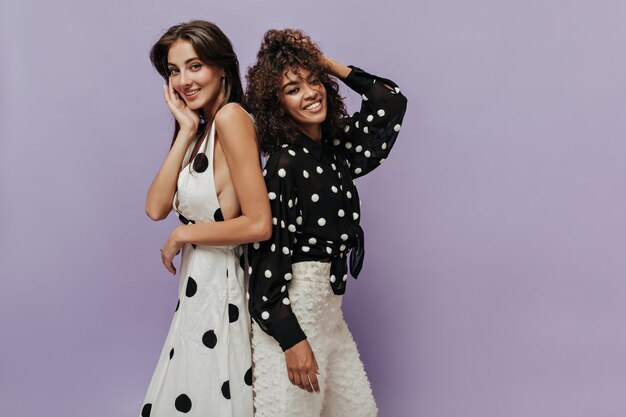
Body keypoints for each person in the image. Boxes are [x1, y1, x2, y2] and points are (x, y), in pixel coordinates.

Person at [245, 29, 408, 417]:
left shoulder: (334, 151)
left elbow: (391, 100)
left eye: (314, 81)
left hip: (330, 310)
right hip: (294, 312)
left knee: (358, 411)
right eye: (293, 88)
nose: (310, 92)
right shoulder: (284, 164)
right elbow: (265, 260)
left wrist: (324, 63)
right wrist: (291, 340)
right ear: (276, 104)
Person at [139, 20, 271, 417]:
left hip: (221, 293)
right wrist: (184, 130)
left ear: (222, 67)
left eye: (194, 66)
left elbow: (258, 223)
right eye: (174, 71)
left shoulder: (231, 117)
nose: (183, 81)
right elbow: (155, 207)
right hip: (197, 291)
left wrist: (182, 235)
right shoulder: (202, 129)